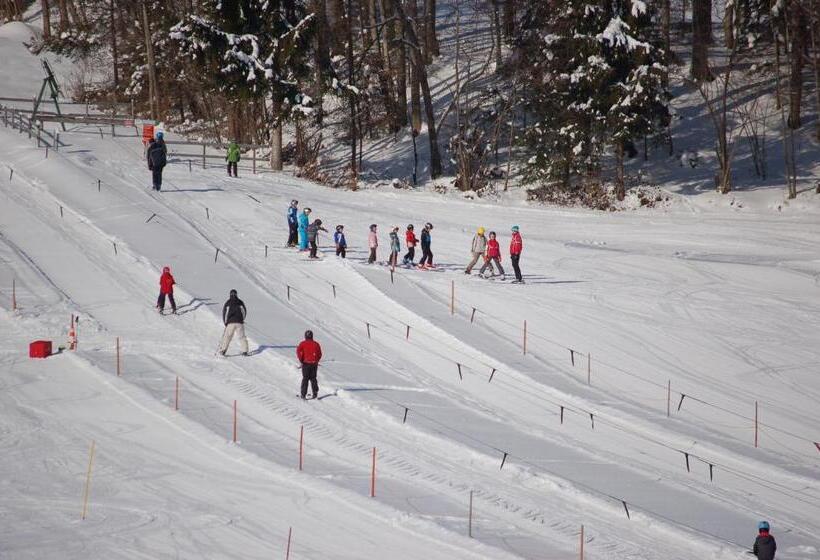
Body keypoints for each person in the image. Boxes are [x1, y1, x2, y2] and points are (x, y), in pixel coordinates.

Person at [218, 289, 249, 356]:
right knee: (242, 337)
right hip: (239, 322)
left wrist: (225, 322)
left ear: (230, 294)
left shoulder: (228, 302)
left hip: (230, 323)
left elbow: (225, 313)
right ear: (236, 294)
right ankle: (245, 351)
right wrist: (242, 319)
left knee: (227, 336)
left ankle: (223, 350)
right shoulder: (240, 302)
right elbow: (244, 311)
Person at [296, 329, 322, 399]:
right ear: (312, 336)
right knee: (313, 378)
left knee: (305, 379)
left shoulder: (302, 344)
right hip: (314, 364)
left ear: (305, 336)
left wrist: (301, 361)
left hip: (306, 364)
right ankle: (315, 393)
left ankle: (303, 395)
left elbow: (298, 352)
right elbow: (320, 354)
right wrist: (316, 361)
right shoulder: (316, 344)